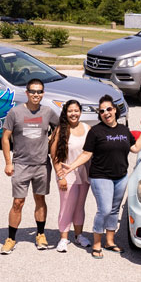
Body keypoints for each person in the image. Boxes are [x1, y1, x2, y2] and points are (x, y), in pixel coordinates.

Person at [65, 95, 141, 259]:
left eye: (109, 109)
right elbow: (86, 154)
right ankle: (97, 243)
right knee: (104, 210)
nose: (106, 113)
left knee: (114, 210)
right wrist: (72, 166)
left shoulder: (123, 130)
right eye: (102, 111)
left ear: (115, 110)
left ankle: (109, 241)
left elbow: (135, 148)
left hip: (121, 176)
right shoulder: (96, 131)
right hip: (100, 176)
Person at [1, 78, 59, 254]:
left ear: (43, 93)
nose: (36, 95)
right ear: (27, 93)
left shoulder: (48, 112)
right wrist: (8, 163)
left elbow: (60, 126)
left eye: (39, 91)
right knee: (18, 202)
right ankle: (11, 238)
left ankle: (40, 235)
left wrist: (52, 139)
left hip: (41, 165)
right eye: (33, 91)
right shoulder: (15, 113)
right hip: (21, 165)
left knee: (40, 199)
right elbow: (5, 138)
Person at [50, 99, 92, 253]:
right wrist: (60, 177)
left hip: (84, 174)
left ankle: (79, 235)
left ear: (80, 111)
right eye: (70, 111)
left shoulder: (87, 128)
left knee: (80, 206)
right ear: (65, 113)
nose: (73, 114)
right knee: (67, 206)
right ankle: (63, 237)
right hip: (66, 175)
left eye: (76, 111)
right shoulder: (60, 130)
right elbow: (54, 156)